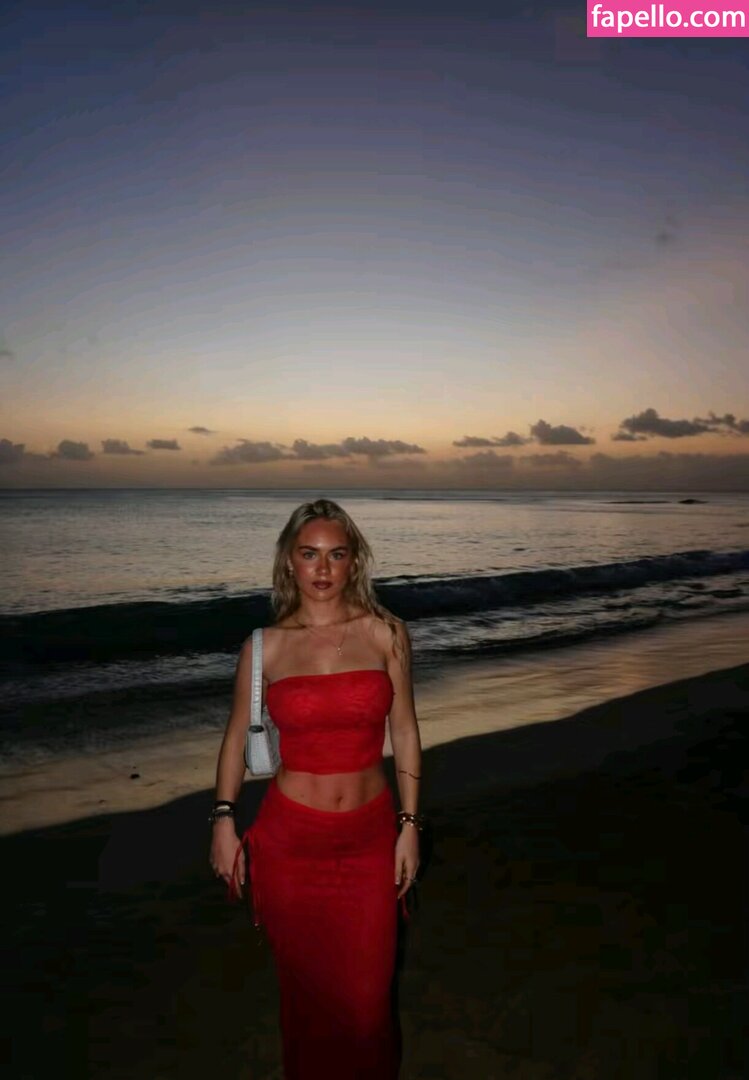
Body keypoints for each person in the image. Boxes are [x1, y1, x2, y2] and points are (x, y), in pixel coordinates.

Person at [209, 497, 424, 1080]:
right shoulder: (264, 647)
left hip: (369, 839)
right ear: (289, 561)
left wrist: (409, 825)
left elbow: (405, 730)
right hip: (289, 845)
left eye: (336, 554)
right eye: (309, 554)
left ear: (354, 561)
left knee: (366, 1006)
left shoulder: (386, 634)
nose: (323, 568)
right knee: (307, 998)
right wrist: (223, 820)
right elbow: (235, 735)